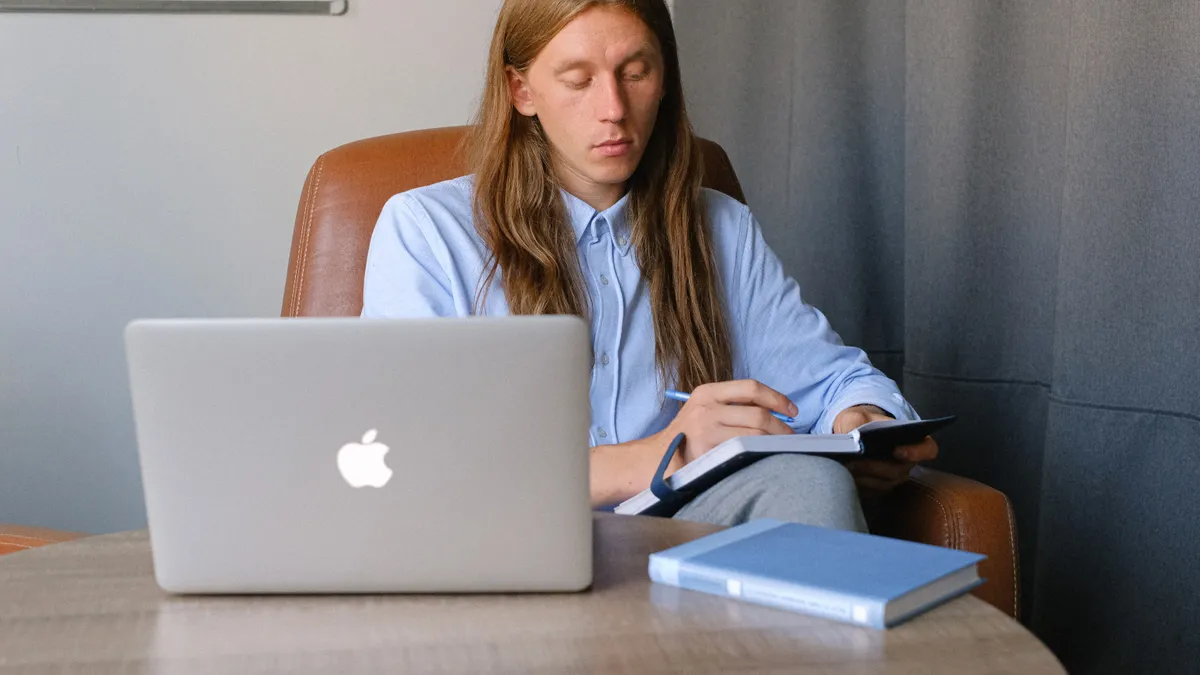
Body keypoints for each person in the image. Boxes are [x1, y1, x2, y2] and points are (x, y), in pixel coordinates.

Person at [361, 0, 938, 532]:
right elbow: (411, 463)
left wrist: (861, 423)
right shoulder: (427, 231)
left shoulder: (722, 228)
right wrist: (670, 450)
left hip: (681, 537)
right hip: (507, 537)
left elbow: (832, 379)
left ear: (664, 80)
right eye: (578, 80)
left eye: (635, 73)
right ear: (521, 90)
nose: (613, 110)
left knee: (812, 480)